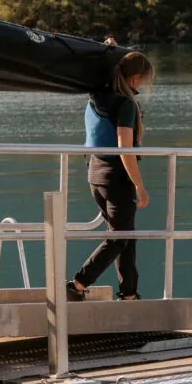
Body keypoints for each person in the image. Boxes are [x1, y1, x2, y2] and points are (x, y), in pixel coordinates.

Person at [66, 51, 155, 302]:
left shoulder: (95, 98)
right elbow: (124, 148)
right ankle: (78, 283)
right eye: (143, 81)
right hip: (116, 178)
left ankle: (129, 294)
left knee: (125, 235)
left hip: (95, 174)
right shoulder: (125, 104)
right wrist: (139, 185)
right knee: (120, 237)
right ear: (135, 79)